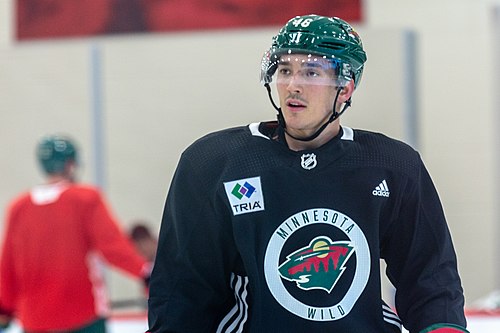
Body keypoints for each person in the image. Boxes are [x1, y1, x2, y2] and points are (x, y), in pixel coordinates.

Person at [147, 14, 468, 333]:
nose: (293, 85)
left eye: (311, 72)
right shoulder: (213, 163)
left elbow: (429, 274)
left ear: (345, 88)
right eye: (285, 70)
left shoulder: (392, 165)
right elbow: (184, 286)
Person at [0, 134, 151, 333]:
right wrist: (146, 273)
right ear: (71, 164)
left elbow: (8, 263)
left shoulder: (19, 207)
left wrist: (5, 307)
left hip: (35, 320)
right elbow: (112, 246)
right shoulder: (86, 199)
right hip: (83, 315)